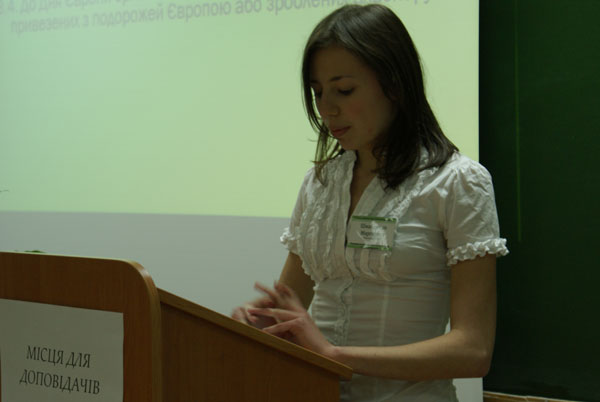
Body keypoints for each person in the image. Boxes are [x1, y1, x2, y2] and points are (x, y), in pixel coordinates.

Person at [232, 4, 508, 401]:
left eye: (344, 90)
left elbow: (473, 351)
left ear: (394, 84)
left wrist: (334, 355)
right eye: (318, 92)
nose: (327, 109)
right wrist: (260, 322)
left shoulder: (458, 182)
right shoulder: (320, 183)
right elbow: (289, 307)